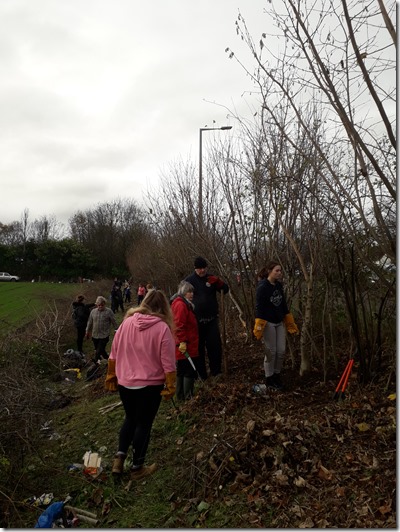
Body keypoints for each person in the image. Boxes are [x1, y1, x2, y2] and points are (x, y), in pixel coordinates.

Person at [104, 289, 176, 481]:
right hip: (150, 385)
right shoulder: (162, 329)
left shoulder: (126, 323)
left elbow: (113, 353)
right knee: (144, 424)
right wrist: (170, 385)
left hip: (126, 383)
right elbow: (168, 362)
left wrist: (112, 375)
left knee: (130, 419)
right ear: (163, 308)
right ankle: (137, 468)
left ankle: (119, 459)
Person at [253, 261, 299, 390]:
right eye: (276, 271)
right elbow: (259, 306)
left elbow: (283, 304)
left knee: (281, 351)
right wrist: (259, 324)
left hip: (279, 322)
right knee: (271, 352)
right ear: (269, 271)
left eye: (280, 271)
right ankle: (269, 378)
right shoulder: (263, 287)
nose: (279, 273)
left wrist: (289, 321)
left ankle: (277, 375)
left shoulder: (278, 286)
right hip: (268, 323)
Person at [185, 256, 229, 379]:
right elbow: (180, 295)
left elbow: (225, 289)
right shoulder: (189, 281)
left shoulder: (211, 279)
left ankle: (216, 371)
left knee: (214, 346)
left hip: (211, 320)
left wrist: (219, 283)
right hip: (196, 321)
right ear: (195, 269)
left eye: (204, 268)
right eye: (200, 268)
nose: (203, 270)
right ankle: (201, 374)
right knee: (198, 348)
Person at [170, 281, 199, 401]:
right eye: (188, 292)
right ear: (183, 292)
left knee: (182, 370)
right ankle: (188, 396)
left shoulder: (184, 304)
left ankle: (181, 396)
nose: (191, 294)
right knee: (188, 371)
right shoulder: (181, 305)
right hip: (186, 344)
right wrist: (182, 341)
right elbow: (178, 325)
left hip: (187, 343)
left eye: (192, 291)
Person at [86, 296, 118, 362]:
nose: (100, 306)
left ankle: (95, 361)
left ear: (104, 304)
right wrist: (87, 331)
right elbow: (89, 322)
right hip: (95, 335)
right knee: (101, 350)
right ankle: (108, 359)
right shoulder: (93, 312)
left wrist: (117, 330)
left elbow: (114, 321)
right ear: (97, 305)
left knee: (98, 351)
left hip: (104, 335)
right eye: (99, 305)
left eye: (102, 305)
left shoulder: (109, 311)